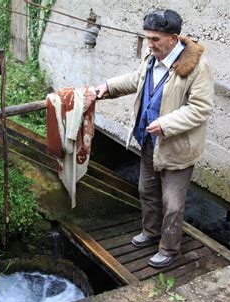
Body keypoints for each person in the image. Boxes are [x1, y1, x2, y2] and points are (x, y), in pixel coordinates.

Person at [90, 9, 214, 268]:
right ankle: (151, 232)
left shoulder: (197, 67)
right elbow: (138, 80)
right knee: (146, 190)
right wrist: (108, 87)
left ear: (174, 38)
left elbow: (201, 108)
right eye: (147, 38)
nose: (150, 44)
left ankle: (169, 250)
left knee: (172, 202)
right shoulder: (151, 56)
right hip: (149, 141)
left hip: (176, 146)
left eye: (155, 39)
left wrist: (166, 124)